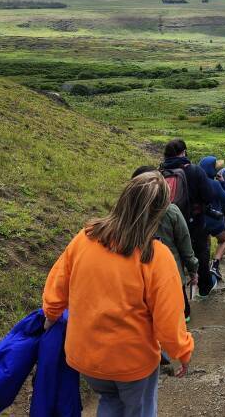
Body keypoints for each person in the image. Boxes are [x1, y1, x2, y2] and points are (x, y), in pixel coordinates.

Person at [42, 172, 194, 416]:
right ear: (159, 212)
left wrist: (51, 315)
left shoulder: (85, 238)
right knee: (139, 410)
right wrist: (182, 352)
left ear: (123, 198)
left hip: (86, 356)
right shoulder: (156, 256)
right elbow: (168, 320)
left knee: (109, 401)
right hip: (132, 361)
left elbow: (57, 285)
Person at [132, 166, 198, 322]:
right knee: (180, 315)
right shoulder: (171, 211)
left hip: (138, 276)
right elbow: (184, 243)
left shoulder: (129, 212)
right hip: (172, 275)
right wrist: (193, 269)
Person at [160, 139, 215, 297]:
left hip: (167, 220)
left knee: (174, 257)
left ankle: (179, 296)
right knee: (200, 253)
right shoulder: (195, 171)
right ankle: (204, 289)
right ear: (183, 152)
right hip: (194, 220)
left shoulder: (160, 171)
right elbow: (208, 195)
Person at [199, 156, 225, 281]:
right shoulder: (216, 184)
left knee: (206, 245)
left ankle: (204, 268)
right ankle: (215, 265)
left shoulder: (196, 184)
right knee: (223, 240)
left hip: (201, 220)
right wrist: (223, 182)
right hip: (215, 220)